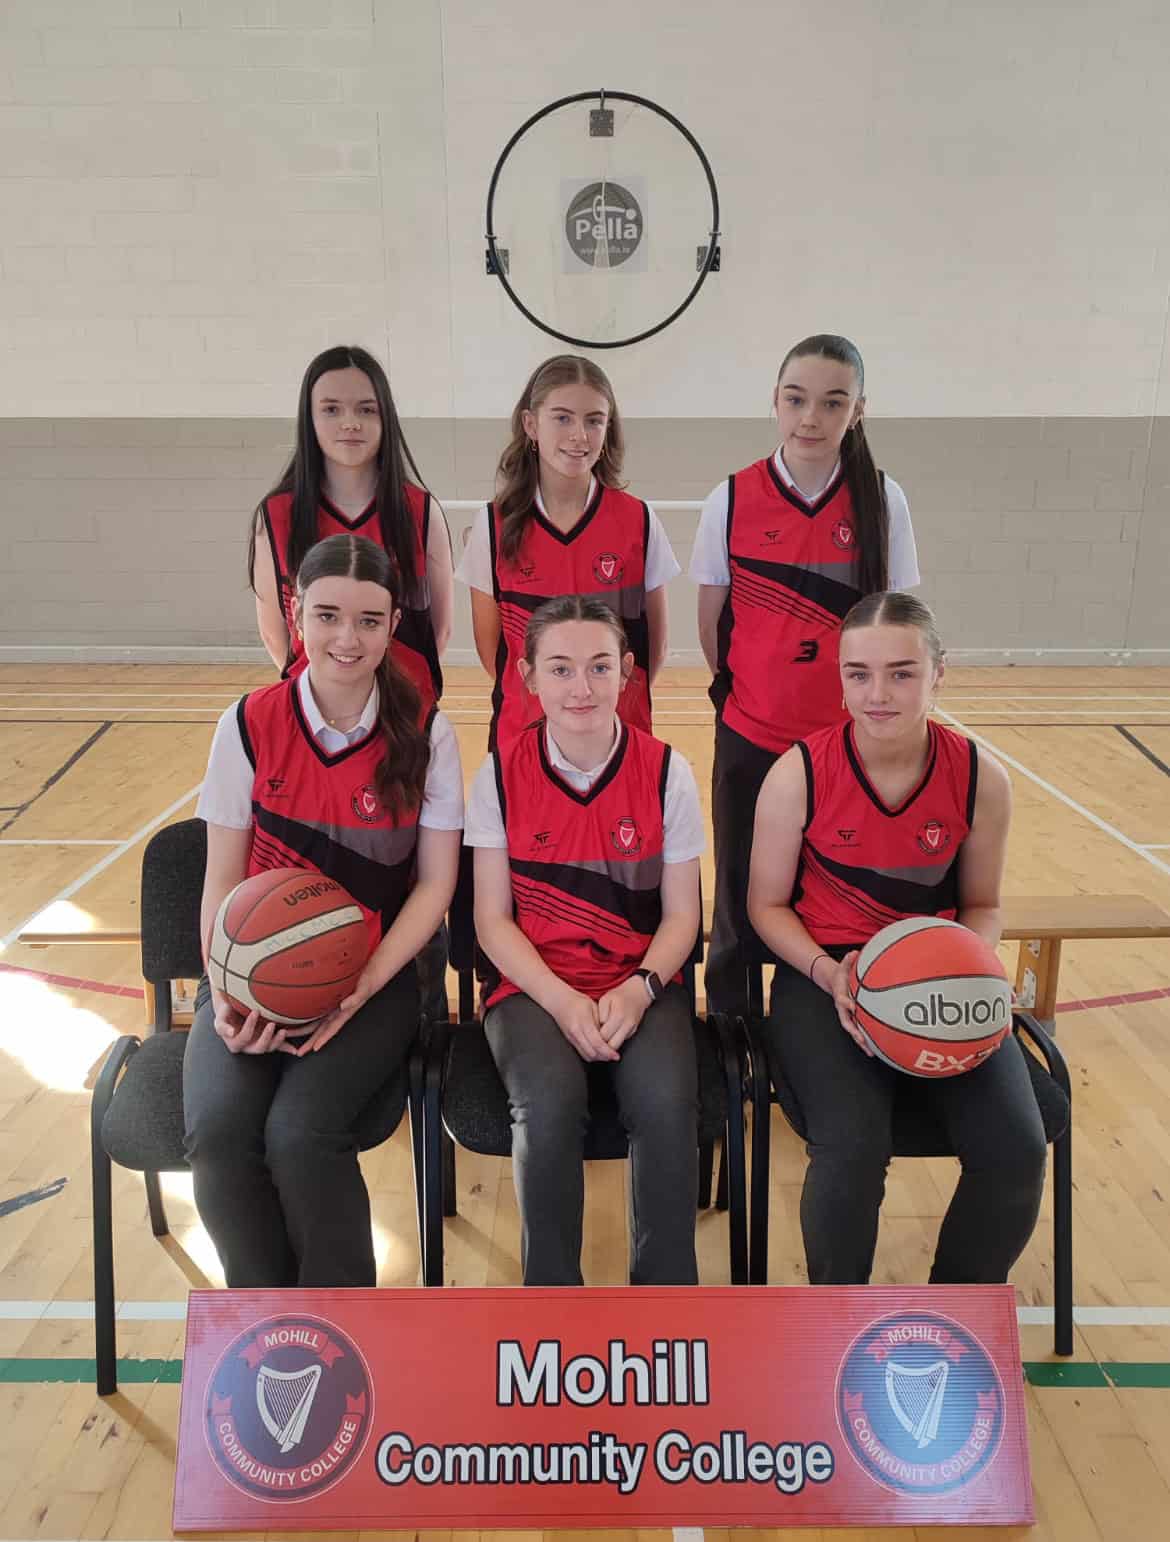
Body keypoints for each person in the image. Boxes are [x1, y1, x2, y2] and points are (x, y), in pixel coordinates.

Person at [185, 534, 463, 1288]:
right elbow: (221, 879)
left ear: (394, 623)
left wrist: (362, 986)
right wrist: (227, 995)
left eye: (370, 620)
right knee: (219, 1136)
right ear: (295, 612)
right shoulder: (247, 724)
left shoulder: (428, 733)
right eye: (328, 615)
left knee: (301, 1135)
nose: (348, 638)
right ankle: (266, 1324)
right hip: (248, 974)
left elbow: (435, 887)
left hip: (373, 977)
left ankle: (343, 1330)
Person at [747, 591, 1046, 1286]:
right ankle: (840, 1320)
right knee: (851, 1148)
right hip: (826, 979)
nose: (877, 693)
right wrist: (829, 974)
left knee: (1017, 1148)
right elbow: (766, 906)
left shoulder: (980, 778)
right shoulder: (798, 774)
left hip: (942, 981)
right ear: (840, 677)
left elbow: (982, 905)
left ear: (939, 672)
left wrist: (972, 966)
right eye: (859, 674)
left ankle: (954, 1313)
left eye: (901, 673)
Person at [465, 595, 705, 1285]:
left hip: (641, 980)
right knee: (546, 1109)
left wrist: (641, 988)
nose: (582, 687)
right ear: (528, 678)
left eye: (600, 667)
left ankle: (665, 1307)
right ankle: (552, 1304)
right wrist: (562, 1000)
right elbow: (491, 920)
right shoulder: (499, 775)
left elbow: (682, 916)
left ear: (627, 672)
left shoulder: (668, 771)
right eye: (561, 668)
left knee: (666, 1108)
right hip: (532, 987)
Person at [690, 334, 921, 1015]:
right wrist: (758, 687)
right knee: (738, 889)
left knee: (833, 891)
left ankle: (830, 1012)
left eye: (832, 402)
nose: (811, 418)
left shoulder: (883, 501)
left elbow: (898, 623)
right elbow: (713, 625)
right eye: (796, 400)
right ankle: (732, 1025)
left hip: (846, 745)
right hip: (752, 735)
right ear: (775, 401)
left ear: (858, 410)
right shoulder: (731, 498)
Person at [456, 354, 679, 750]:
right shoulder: (492, 527)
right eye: (562, 418)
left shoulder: (639, 521)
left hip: (620, 739)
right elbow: (495, 656)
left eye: (594, 420)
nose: (580, 435)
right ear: (531, 425)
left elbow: (654, 650)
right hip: (523, 740)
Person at [249, 344, 453, 713]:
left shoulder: (421, 512)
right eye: (331, 409)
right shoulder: (276, 515)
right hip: (314, 715)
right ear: (309, 418)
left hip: (404, 711)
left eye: (366, 409)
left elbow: (439, 630)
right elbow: (274, 634)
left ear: (385, 417)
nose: (350, 423)